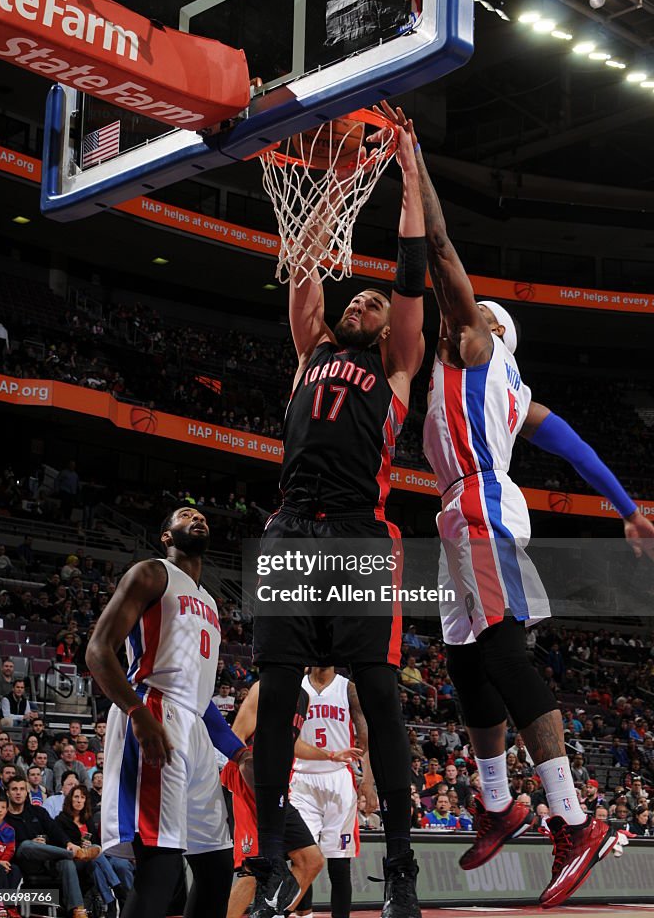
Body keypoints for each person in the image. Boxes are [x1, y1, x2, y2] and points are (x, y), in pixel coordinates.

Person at [415, 120, 654, 909]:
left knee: (502, 651)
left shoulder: (478, 350)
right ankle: (496, 802)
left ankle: (574, 818)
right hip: (461, 517)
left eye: (470, 317)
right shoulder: (514, 395)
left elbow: (443, 252)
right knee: (462, 657)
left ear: (490, 334)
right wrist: (628, 508)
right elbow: (577, 445)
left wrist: (412, 169)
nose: (458, 321)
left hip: (480, 503)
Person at [250, 106, 426, 918]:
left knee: (382, 695)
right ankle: (267, 854)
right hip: (291, 526)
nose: (363, 302)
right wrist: (342, 184)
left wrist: (409, 176)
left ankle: (400, 868)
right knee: (276, 694)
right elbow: (305, 260)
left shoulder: (395, 371)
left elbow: (410, 275)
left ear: (389, 331)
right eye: (355, 299)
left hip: (358, 529)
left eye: (373, 304)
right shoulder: (311, 353)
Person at [86, 507, 243, 918]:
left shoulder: (210, 601)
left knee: (216, 866)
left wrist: (239, 752)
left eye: (203, 515)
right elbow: (98, 650)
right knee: (161, 867)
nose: (199, 518)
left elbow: (201, 697)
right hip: (155, 711)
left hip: (195, 729)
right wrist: (137, 713)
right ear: (166, 536)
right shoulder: (152, 573)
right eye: (185, 515)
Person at [222, 679, 357, 918]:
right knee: (255, 870)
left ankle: (271, 914)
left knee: (310, 860)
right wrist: (250, 780)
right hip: (247, 780)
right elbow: (236, 737)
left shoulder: (302, 696)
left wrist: (330, 755)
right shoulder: (265, 687)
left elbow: (292, 743)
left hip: (275, 787)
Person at [289, 667, 373, 918]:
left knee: (339, 864)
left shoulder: (348, 689)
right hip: (302, 777)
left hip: (339, 778)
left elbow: (365, 739)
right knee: (302, 858)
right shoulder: (297, 685)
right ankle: (304, 915)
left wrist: (368, 782)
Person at [5, 776, 99, 918]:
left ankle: (77, 910)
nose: (18, 793)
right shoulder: (5, 816)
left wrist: (68, 843)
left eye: (22, 789)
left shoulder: (38, 812)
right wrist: (32, 842)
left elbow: (55, 830)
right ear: (8, 793)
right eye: (14, 789)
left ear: (27, 792)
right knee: (26, 845)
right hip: (23, 860)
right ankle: (76, 854)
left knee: (67, 863)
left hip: (47, 859)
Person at [56, 784, 134, 918]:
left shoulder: (88, 819)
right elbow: (61, 841)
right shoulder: (60, 820)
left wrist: (90, 845)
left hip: (91, 859)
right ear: (70, 800)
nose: (79, 800)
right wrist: (80, 845)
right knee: (95, 854)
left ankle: (109, 902)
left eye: (82, 797)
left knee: (94, 861)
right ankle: (117, 887)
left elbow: (97, 843)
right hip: (74, 859)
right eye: (76, 797)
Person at [0, 795, 23, 908]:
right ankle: (0, 905)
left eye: (3, 807)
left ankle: (11, 906)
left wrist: (4, 862)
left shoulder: (10, 830)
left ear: (7, 810)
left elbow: (10, 850)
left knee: (15, 869)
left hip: (3, 863)